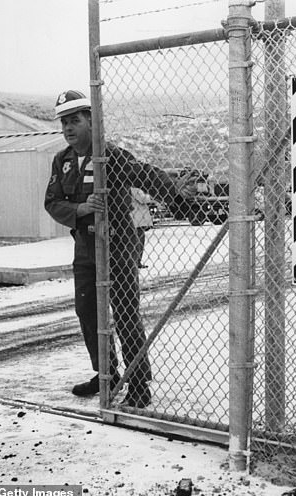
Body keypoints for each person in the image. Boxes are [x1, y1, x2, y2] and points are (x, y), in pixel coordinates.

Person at [44, 90, 195, 408]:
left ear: (90, 121)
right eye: (64, 123)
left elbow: (148, 176)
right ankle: (107, 375)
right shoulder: (63, 161)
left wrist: (182, 205)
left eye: (75, 121)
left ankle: (139, 384)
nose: (69, 128)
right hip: (85, 248)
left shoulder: (111, 156)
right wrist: (83, 208)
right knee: (88, 312)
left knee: (126, 314)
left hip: (119, 245)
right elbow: (53, 202)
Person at [130, 187, 153, 268]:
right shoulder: (134, 187)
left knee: (140, 240)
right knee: (138, 241)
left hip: (139, 217)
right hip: (138, 218)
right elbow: (142, 199)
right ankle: (136, 261)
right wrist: (152, 196)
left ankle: (137, 261)